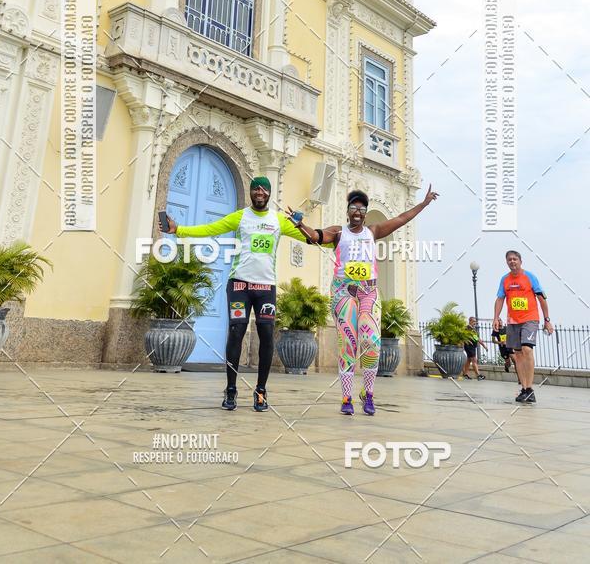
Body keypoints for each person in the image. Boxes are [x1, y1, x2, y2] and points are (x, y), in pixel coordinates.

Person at [288, 184, 438, 416]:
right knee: (348, 344)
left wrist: (424, 204)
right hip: (344, 292)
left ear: (365, 213)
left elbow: (401, 219)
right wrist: (301, 225)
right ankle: (346, 398)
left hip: (369, 292)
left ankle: (368, 394)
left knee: (371, 343)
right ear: (347, 211)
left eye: (361, 209)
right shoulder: (339, 233)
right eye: (353, 208)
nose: (357, 212)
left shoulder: (373, 231)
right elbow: (317, 236)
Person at [163, 176, 308, 412]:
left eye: (264, 189)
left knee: (267, 336)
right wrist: (178, 230)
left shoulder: (279, 220)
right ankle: (231, 389)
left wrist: (304, 225)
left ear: (270, 194)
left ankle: (261, 391)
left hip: (266, 288)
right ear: (251, 193)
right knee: (236, 332)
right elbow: (210, 229)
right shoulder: (240, 216)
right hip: (239, 284)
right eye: (255, 189)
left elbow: (312, 238)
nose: (259, 192)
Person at [493, 250, 554, 403]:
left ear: (520, 261)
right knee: (518, 354)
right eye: (509, 260)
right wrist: (496, 317)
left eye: (514, 259)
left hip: (530, 319)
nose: (512, 261)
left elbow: (541, 298)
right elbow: (500, 299)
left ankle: (530, 388)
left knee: (527, 349)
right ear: (506, 262)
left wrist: (547, 320)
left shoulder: (530, 277)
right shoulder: (505, 280)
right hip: (513, 321)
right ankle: (525, 389)